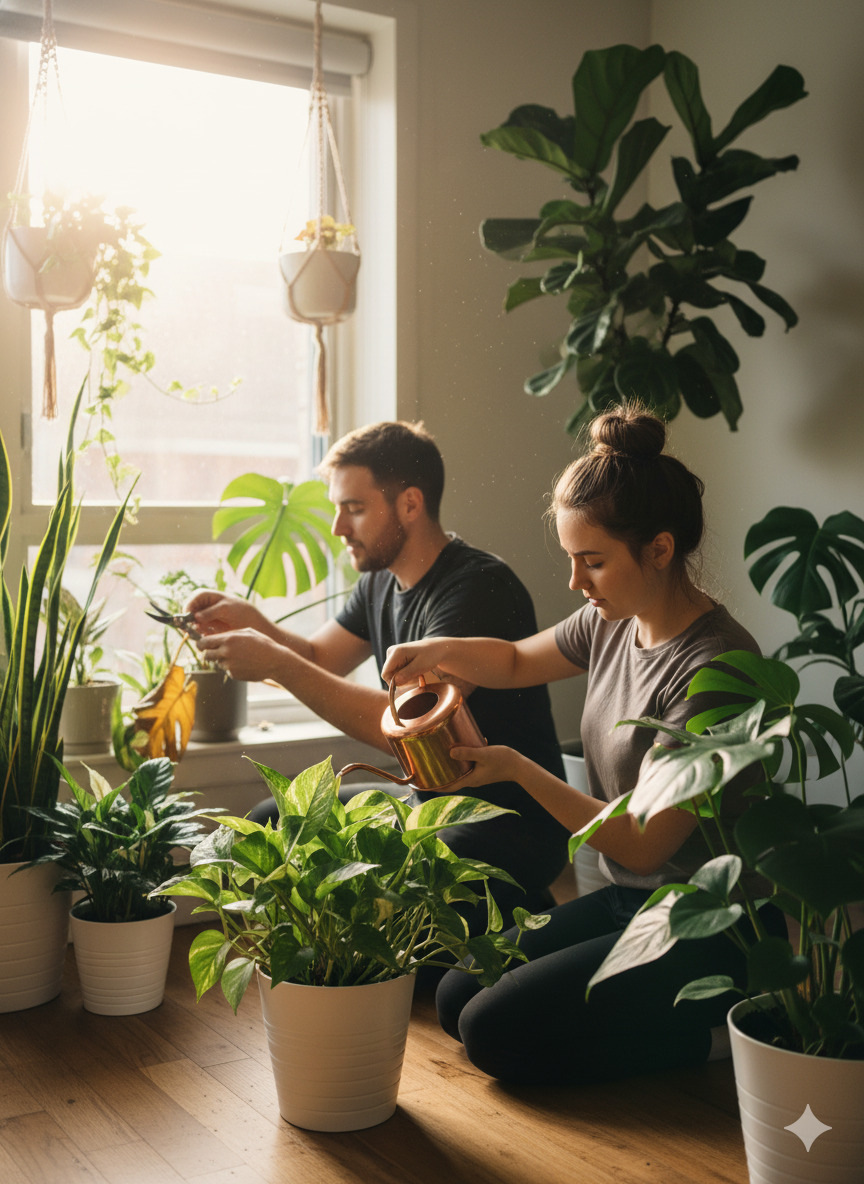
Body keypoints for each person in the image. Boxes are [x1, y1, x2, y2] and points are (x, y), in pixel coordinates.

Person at [381, 404, 787, 1086]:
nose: (575, 582)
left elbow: (641, 843)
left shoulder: (716, 669)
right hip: (631, 900)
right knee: (456, 995)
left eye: (592, 562)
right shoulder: (612, 620)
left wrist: (517, 768)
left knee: (493, 1033)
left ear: (659, 549)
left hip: (710, 921)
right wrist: (435, 649)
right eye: (572, 560)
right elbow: (515, 660)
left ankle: (721, 1033)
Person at [185, 420, 570, 927]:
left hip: (507, 820)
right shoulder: (379, 584)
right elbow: (319, 658)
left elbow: (415, 732)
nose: (338, 528)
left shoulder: (479, 588)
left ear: (410, 504)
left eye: (355, 508)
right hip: (427, 801)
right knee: (267, 824)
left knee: (386, 901)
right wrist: (254, 624)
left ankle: (519, 919)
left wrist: (277, 662)